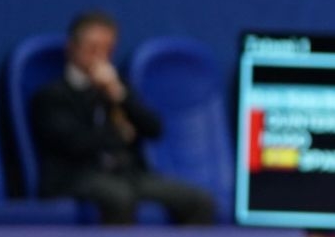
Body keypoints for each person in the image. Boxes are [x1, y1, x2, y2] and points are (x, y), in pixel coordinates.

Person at [29, 11, 218, 225]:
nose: (99, 57)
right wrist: (119, 134)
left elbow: (154, 129)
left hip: (127, 175)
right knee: (118, 197)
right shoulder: (51, 96)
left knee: (199, 200)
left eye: (106, 50)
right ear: (72, 48)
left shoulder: (118, 89)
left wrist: (119, 96)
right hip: (76, 177)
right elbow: (75, 143)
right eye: (92, 48)